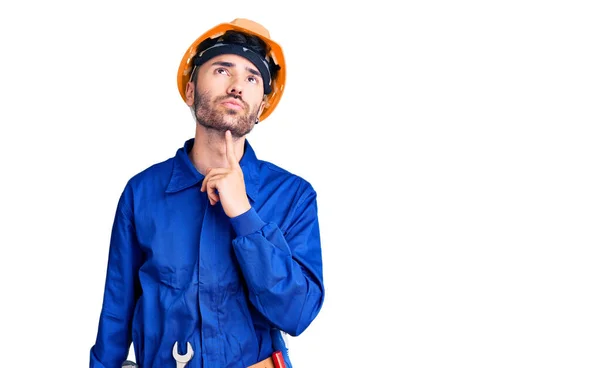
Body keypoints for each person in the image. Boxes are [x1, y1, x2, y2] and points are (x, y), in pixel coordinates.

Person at [89, 18, 325, 368]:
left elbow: (297, 314)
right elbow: (115, 316)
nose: (236, 86)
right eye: (221, 70)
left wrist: (244, 215)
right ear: (190, 90)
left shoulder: (293, 196)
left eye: (251, 77)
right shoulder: (142, 193)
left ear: (261, 106)